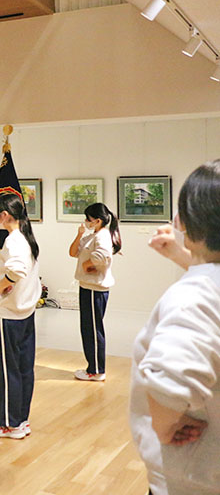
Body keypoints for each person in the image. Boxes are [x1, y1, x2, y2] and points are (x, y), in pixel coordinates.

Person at [131, 161, 220, 495]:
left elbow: (169, 383)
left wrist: (164, 426)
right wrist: (184, 257)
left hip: (195, 477)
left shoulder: (193, 297)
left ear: (182, 221)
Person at [0, 192, 40, 440]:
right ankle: (21, 419)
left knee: (6, 369)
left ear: (4, 215)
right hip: (24, 312)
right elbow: (5, 264)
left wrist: (3, 286)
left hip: (9, 315)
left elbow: (15, 270)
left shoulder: (15, 240)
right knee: (23, 368)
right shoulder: (23, 238)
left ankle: (9, 423)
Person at [68, 202, 121, 382]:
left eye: (89, 219)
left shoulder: (103, 236)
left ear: (97, 220)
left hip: (94, 289)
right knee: (88, 328)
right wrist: (79, 234)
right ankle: (94, 367)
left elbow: (103, 257)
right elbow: (73, 252)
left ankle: (96, 370)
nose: (86, 222)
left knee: (92, 329)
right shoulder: (93, 235)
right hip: (88, 287)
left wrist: (87, 265)